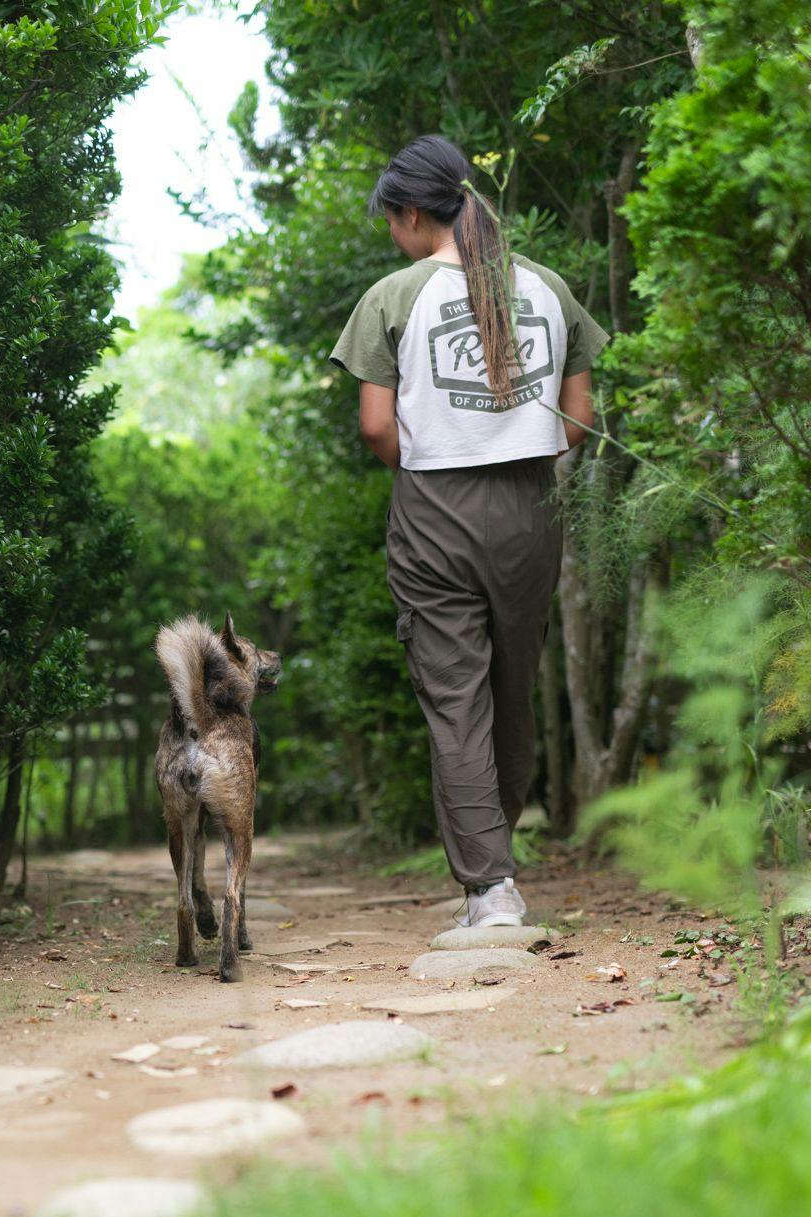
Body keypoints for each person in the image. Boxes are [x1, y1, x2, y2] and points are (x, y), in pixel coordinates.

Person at [328, 135, 608, 929]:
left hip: (434, 512)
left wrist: (441, 460)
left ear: (414, 214)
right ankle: (498, 867)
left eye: (392, 220)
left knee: (455, 698)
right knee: (511, 687)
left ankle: (491, 892)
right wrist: (514, 454)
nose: (393, 234)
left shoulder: (395, 297)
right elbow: (579, 418)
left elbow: (378, 428)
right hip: (531, 508)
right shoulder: (549, 288)